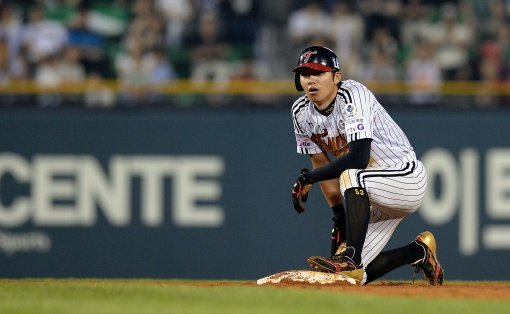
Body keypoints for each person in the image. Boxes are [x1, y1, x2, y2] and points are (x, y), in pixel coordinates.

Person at [289, 46, 444, 285]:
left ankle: (351, 257)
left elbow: (359, 158)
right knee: (347, 279)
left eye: (318, 73)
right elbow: (320, 163)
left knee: (351, 175)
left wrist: (309, 178)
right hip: (369, 194)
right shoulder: (301, 112)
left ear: (336, 77)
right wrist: (339, 217)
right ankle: (419, 252)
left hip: (404, 178)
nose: (311, 79)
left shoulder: (353, 94)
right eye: (305, 74)